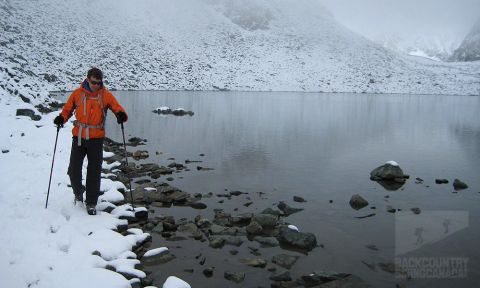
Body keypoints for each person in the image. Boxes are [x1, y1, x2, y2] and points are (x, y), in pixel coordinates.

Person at [54, 68, 128, 215]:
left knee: (94, 172)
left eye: (99, 83)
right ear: (87, 80)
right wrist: (61, 118)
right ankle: (78, 191)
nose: (96, 85)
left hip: (97, 138)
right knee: (74, 169)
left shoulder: (105, 95)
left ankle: (91, 203)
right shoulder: (77, 94)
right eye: (94, 82)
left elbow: (116, 107)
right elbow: (67, 109)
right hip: (79, 137)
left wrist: (121, 115)